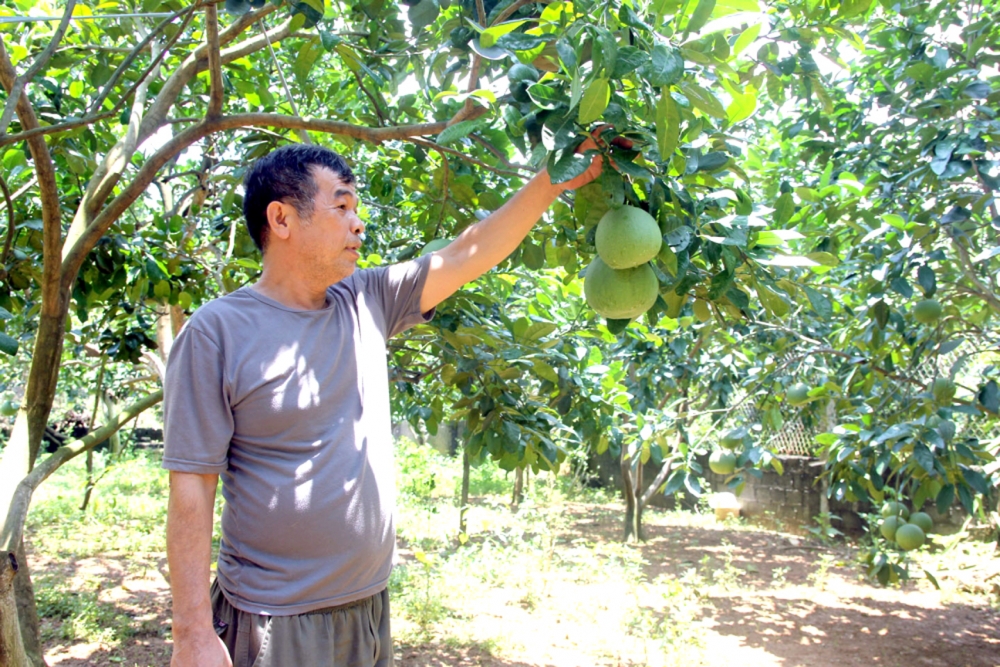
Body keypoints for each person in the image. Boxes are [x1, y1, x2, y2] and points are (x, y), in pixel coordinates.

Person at [163, 138, 603, 667]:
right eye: (342, 206)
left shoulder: (367, 301)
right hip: (277, 620)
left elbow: (470, 250)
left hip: (368, 606)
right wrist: (191, 632)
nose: (358, 224)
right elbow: (192, 484)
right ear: (281, 218)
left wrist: (559, 175)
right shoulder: (218, 331)